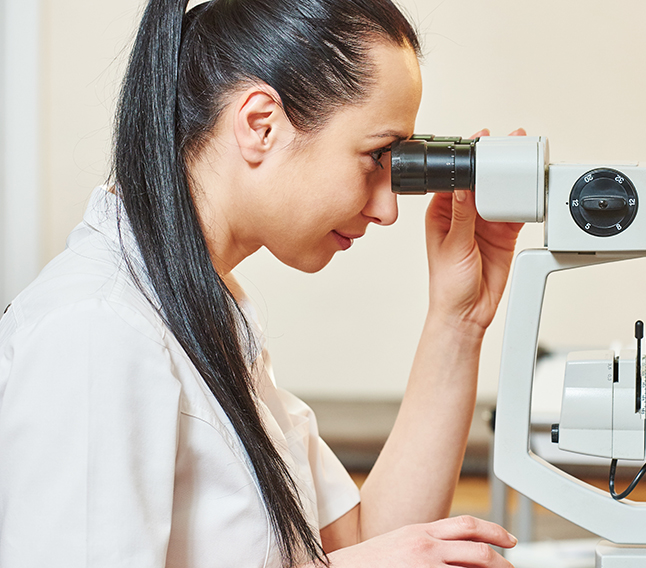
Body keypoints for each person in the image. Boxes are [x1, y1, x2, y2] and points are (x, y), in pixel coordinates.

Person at [0, 0, 521, 566]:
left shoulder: (208, 314)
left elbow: (368, 540)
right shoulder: (95, 329)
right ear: (260, 125)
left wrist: (458, 320)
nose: (389, 209)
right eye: (376, 156)